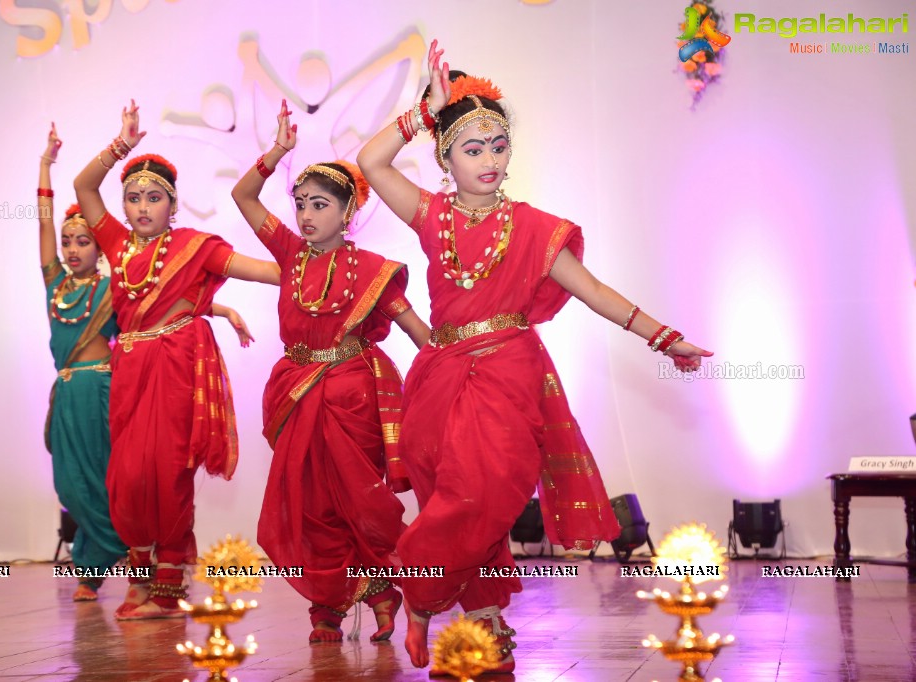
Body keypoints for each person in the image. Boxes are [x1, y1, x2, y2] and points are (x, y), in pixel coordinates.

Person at [356, 41, 712, 673]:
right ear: (445, 159)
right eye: (472, 148)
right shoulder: (431, 215)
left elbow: (594, 290)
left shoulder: (532, 226)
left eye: (498, 146)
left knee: (484, 497)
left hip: (510, 373)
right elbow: (371, 161)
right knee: (456, 503)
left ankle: (418, 593)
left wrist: (665, 337)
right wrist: (423, 113)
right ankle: (483, 629)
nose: (490, 159)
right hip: (440, 380)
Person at [231, 100, 430, 644]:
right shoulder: (291, 254)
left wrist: (457, 362)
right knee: (313, 508)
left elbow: (416, 330)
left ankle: (386, 594)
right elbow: (242, 196)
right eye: (301, 205)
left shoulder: (371, 272)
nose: (307, 215)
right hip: (296, 395)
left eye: (320, 205)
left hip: (353, 399)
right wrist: (276, 154)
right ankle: (327, 611)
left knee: (365, 506)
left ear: (348, 212)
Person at [74, 100, 279, 620]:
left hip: (174, 369)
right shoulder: (117, 246)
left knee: (165, 475)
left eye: (154, 198)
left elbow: (259, 270)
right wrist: (122, 145)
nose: (143, 207)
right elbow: (82, 188)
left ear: (173, 205)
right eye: (134, 198)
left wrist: (308, 262)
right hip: (130, 371)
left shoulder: (192, 247)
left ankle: (166, 587)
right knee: (127, 479)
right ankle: (140, 579)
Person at [38, 123, 127, 602]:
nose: (72, 249)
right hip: (66, 393)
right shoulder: (55, 285)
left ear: (100, 248)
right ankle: (113, 551)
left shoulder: (111, 290)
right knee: (70, 485)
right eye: (69, 242)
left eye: (83, 241)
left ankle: (97, 566)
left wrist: (223, 309)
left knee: (101, 475)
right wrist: (45, 166)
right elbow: (43, 224)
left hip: (99, 391)